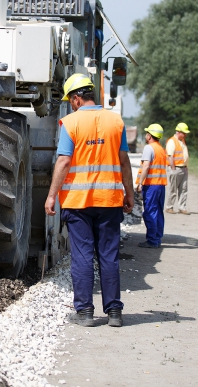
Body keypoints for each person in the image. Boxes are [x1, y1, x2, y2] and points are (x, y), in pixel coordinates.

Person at [45, 73, 134, 328]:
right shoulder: (116, 121)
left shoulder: (70, 123)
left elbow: (63, 161)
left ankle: (85, 312)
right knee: (108, 255)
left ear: (75, 99)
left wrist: (51, 196)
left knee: (83, 255)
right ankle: (114, 313)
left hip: (77, 202)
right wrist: (129, 193)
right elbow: (124, 161)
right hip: (109, 200)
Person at [136, 124, 167, 248]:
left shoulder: (149, 148)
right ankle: (157, 238)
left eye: (146, 133)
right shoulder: (160, 148)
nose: (145, 135)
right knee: (158, 212)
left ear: (149, 135)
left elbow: (146, 166)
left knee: (150, 211)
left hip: (151, 186)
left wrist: (140, 183)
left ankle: (152, 240)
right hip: (160, 186)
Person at [165, 122, 190, 215]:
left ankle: (182, 207)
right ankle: (169, 207)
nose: (185, 134)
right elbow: (170, 156)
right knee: (173, 189)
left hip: (183, 168)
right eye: (184, 133)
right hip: (175, 169)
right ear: (178, 132)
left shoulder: (182, 140)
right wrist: (173, 169)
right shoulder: (172, 141)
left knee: (184, 189)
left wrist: (185, 166)